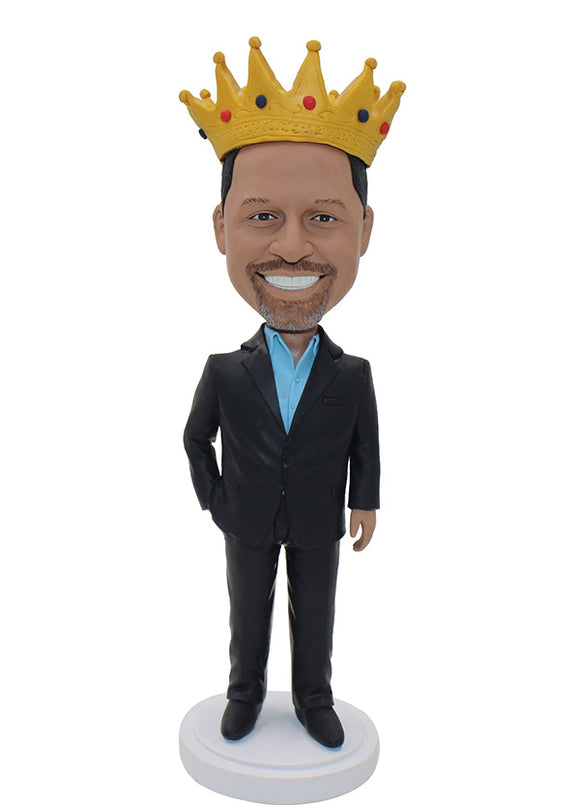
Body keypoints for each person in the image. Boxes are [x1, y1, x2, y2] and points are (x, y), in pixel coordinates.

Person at [180, 38, 404, 749]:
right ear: (221, 228)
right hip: (244, 517)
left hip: (317, 519)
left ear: (364, 231)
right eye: (262, 216)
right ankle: (243, 693)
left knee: (317, 610)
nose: (292, 248)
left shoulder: (353, 374)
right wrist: (215, 498)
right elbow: (195, 437)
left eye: (325, 218)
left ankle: (314, 697)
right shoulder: (224, 370)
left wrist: (365, 500)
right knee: (246, 611)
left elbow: (366, 442)